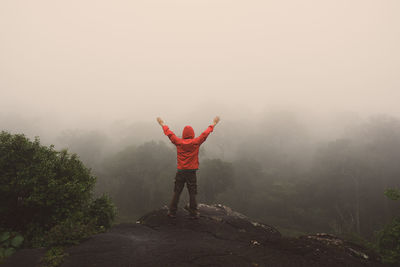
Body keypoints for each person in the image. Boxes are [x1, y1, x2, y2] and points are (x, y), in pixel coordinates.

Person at [156, 116, 220, 219]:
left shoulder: (179, 142)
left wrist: (162, 123)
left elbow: (169, 133)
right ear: (192, 134)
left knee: (177, 191)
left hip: (181, 171)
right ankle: (193, 213)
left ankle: (172, 212)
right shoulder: (196, 142)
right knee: (192, 192)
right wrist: (214, 123)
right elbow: (205, 133)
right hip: (191, 172)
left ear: (184, 135)